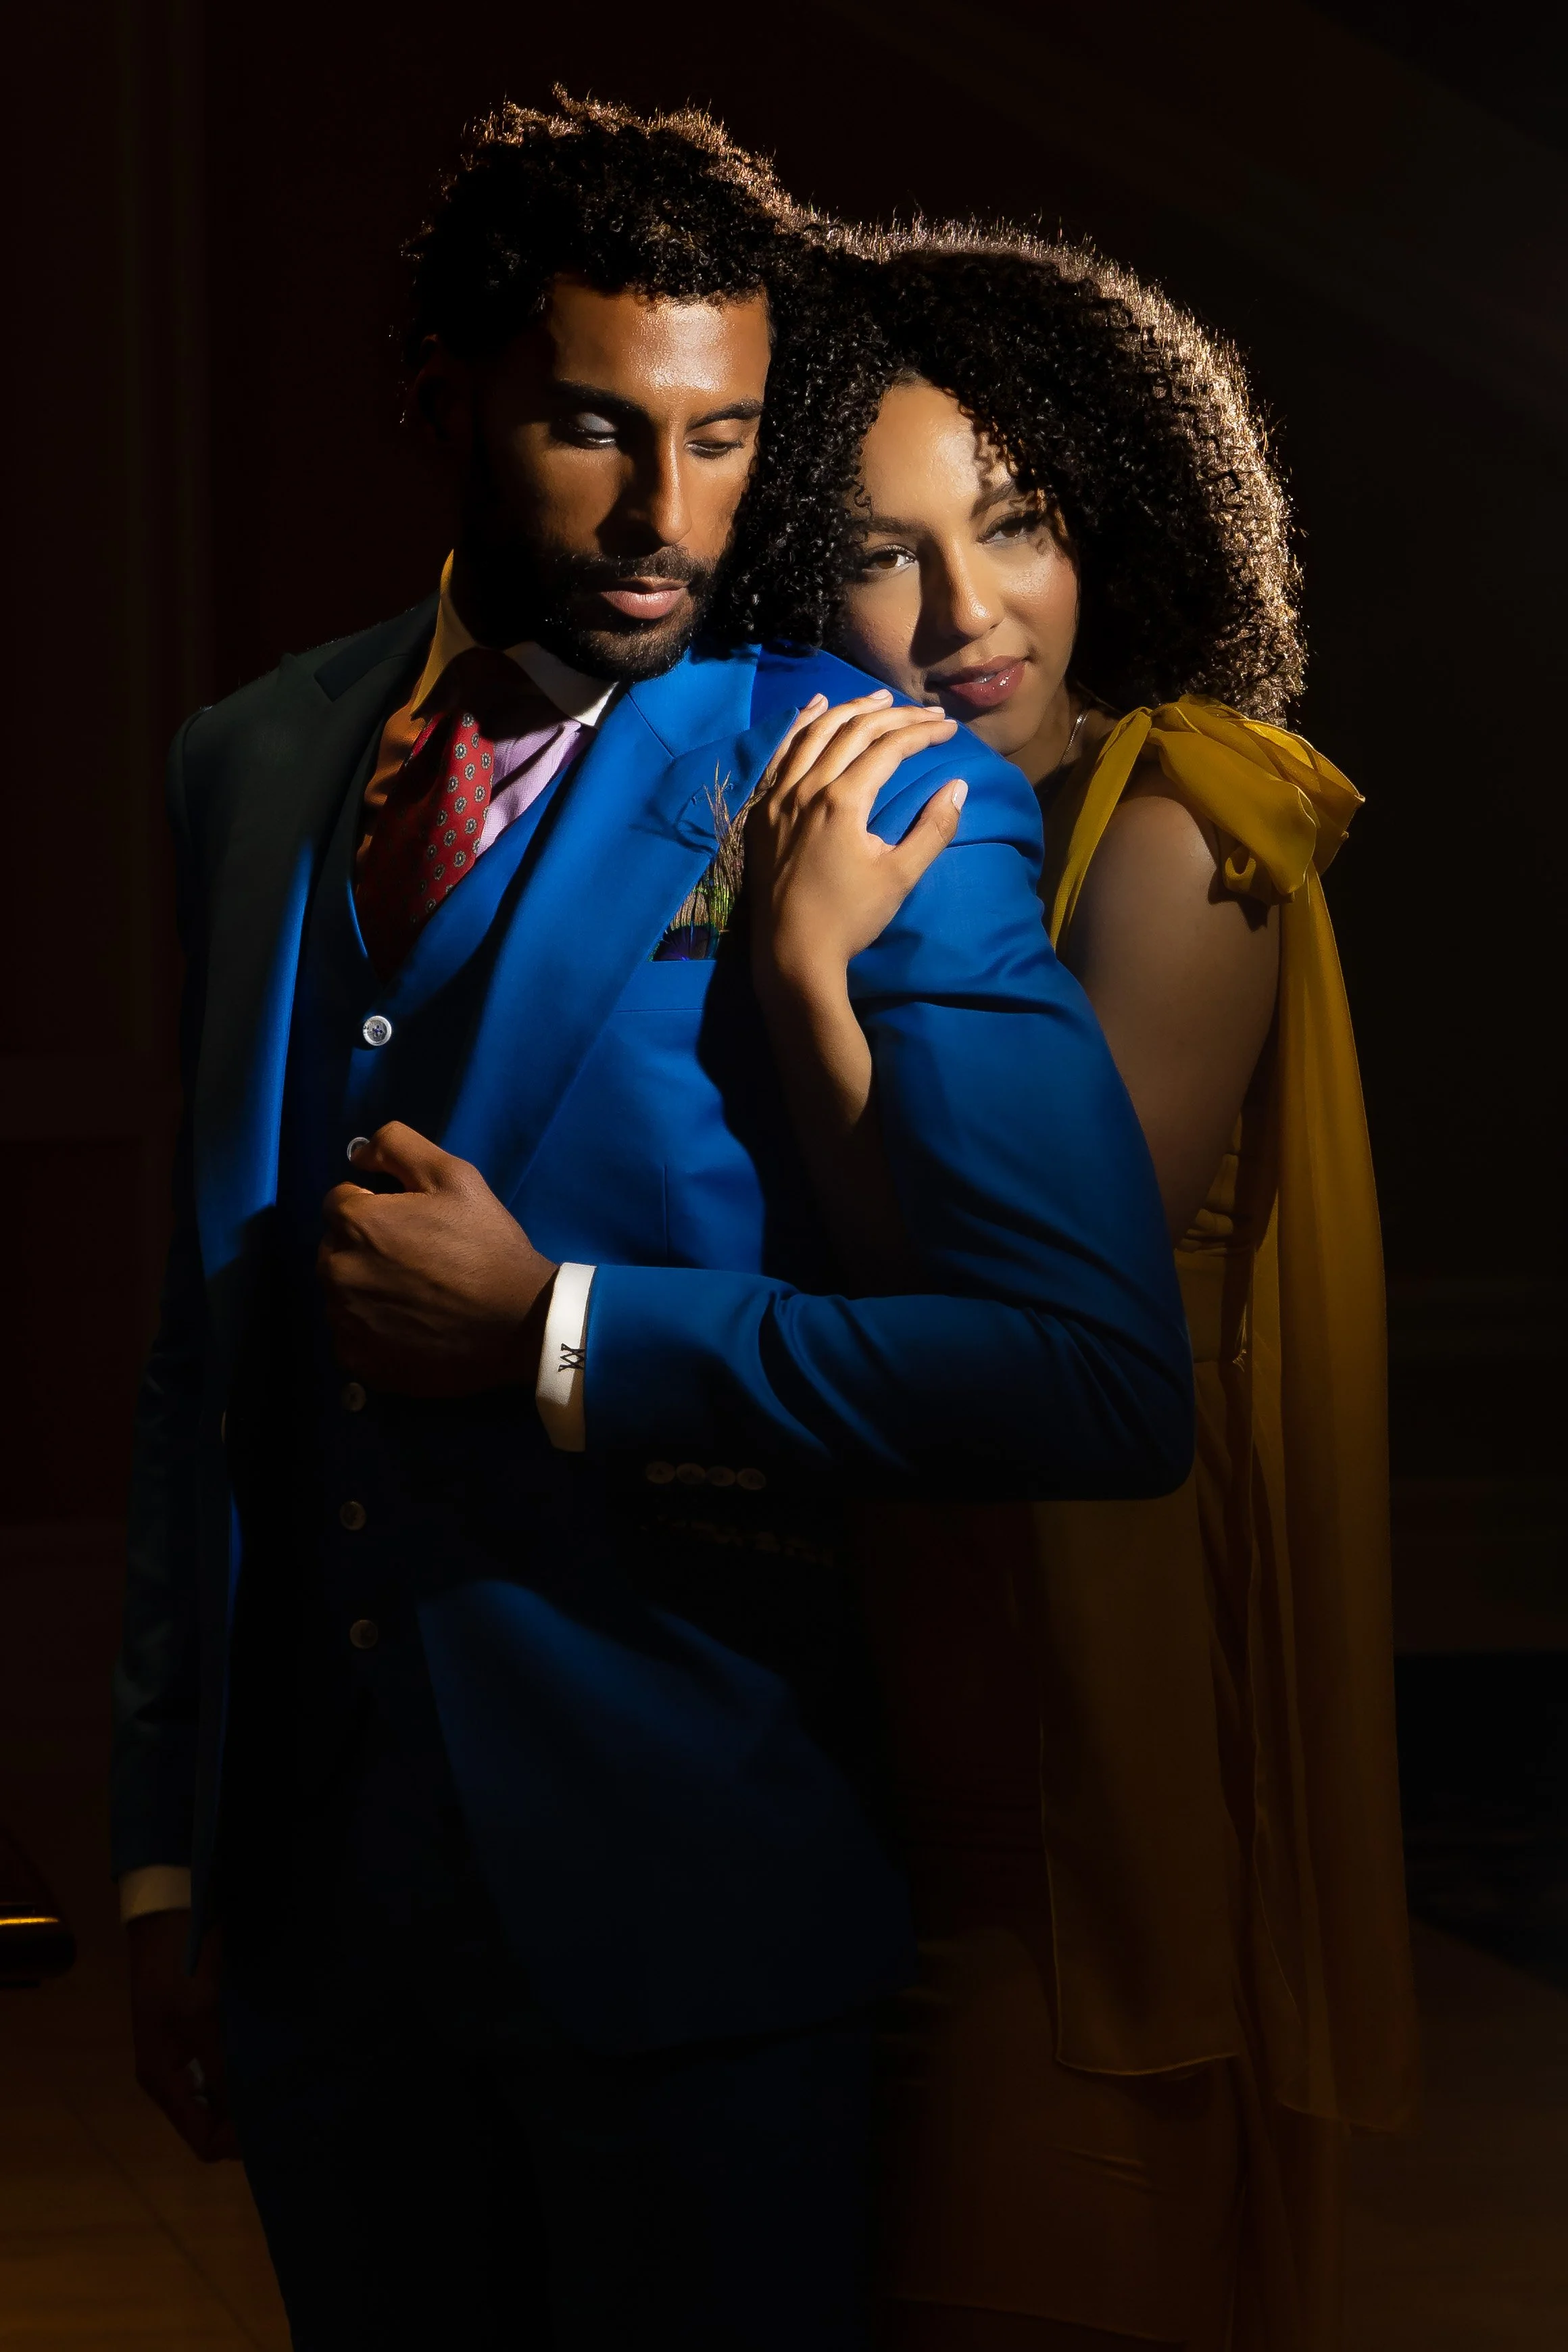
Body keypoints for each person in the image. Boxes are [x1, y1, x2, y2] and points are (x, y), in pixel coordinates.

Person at [110, 112, 1195, 2351]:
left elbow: (1093, 1377)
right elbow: (200, 1344)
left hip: (687, 1918)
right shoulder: (251, 760)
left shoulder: (869, 778)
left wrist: (558, 1335)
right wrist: (164, 1847)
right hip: (313, 1919)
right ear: (442, 400)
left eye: (717, 443)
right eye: (595, 425)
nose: (662, 520)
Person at [720, 232, 1419, 2351]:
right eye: (884, 551)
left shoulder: (1181, 814)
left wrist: (802, 978)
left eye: (1014, 524)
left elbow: (1029, 1329)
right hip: (905, 1649)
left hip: (1090, 1688)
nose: (966, 616)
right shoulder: (919, 816)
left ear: (1112, 509)